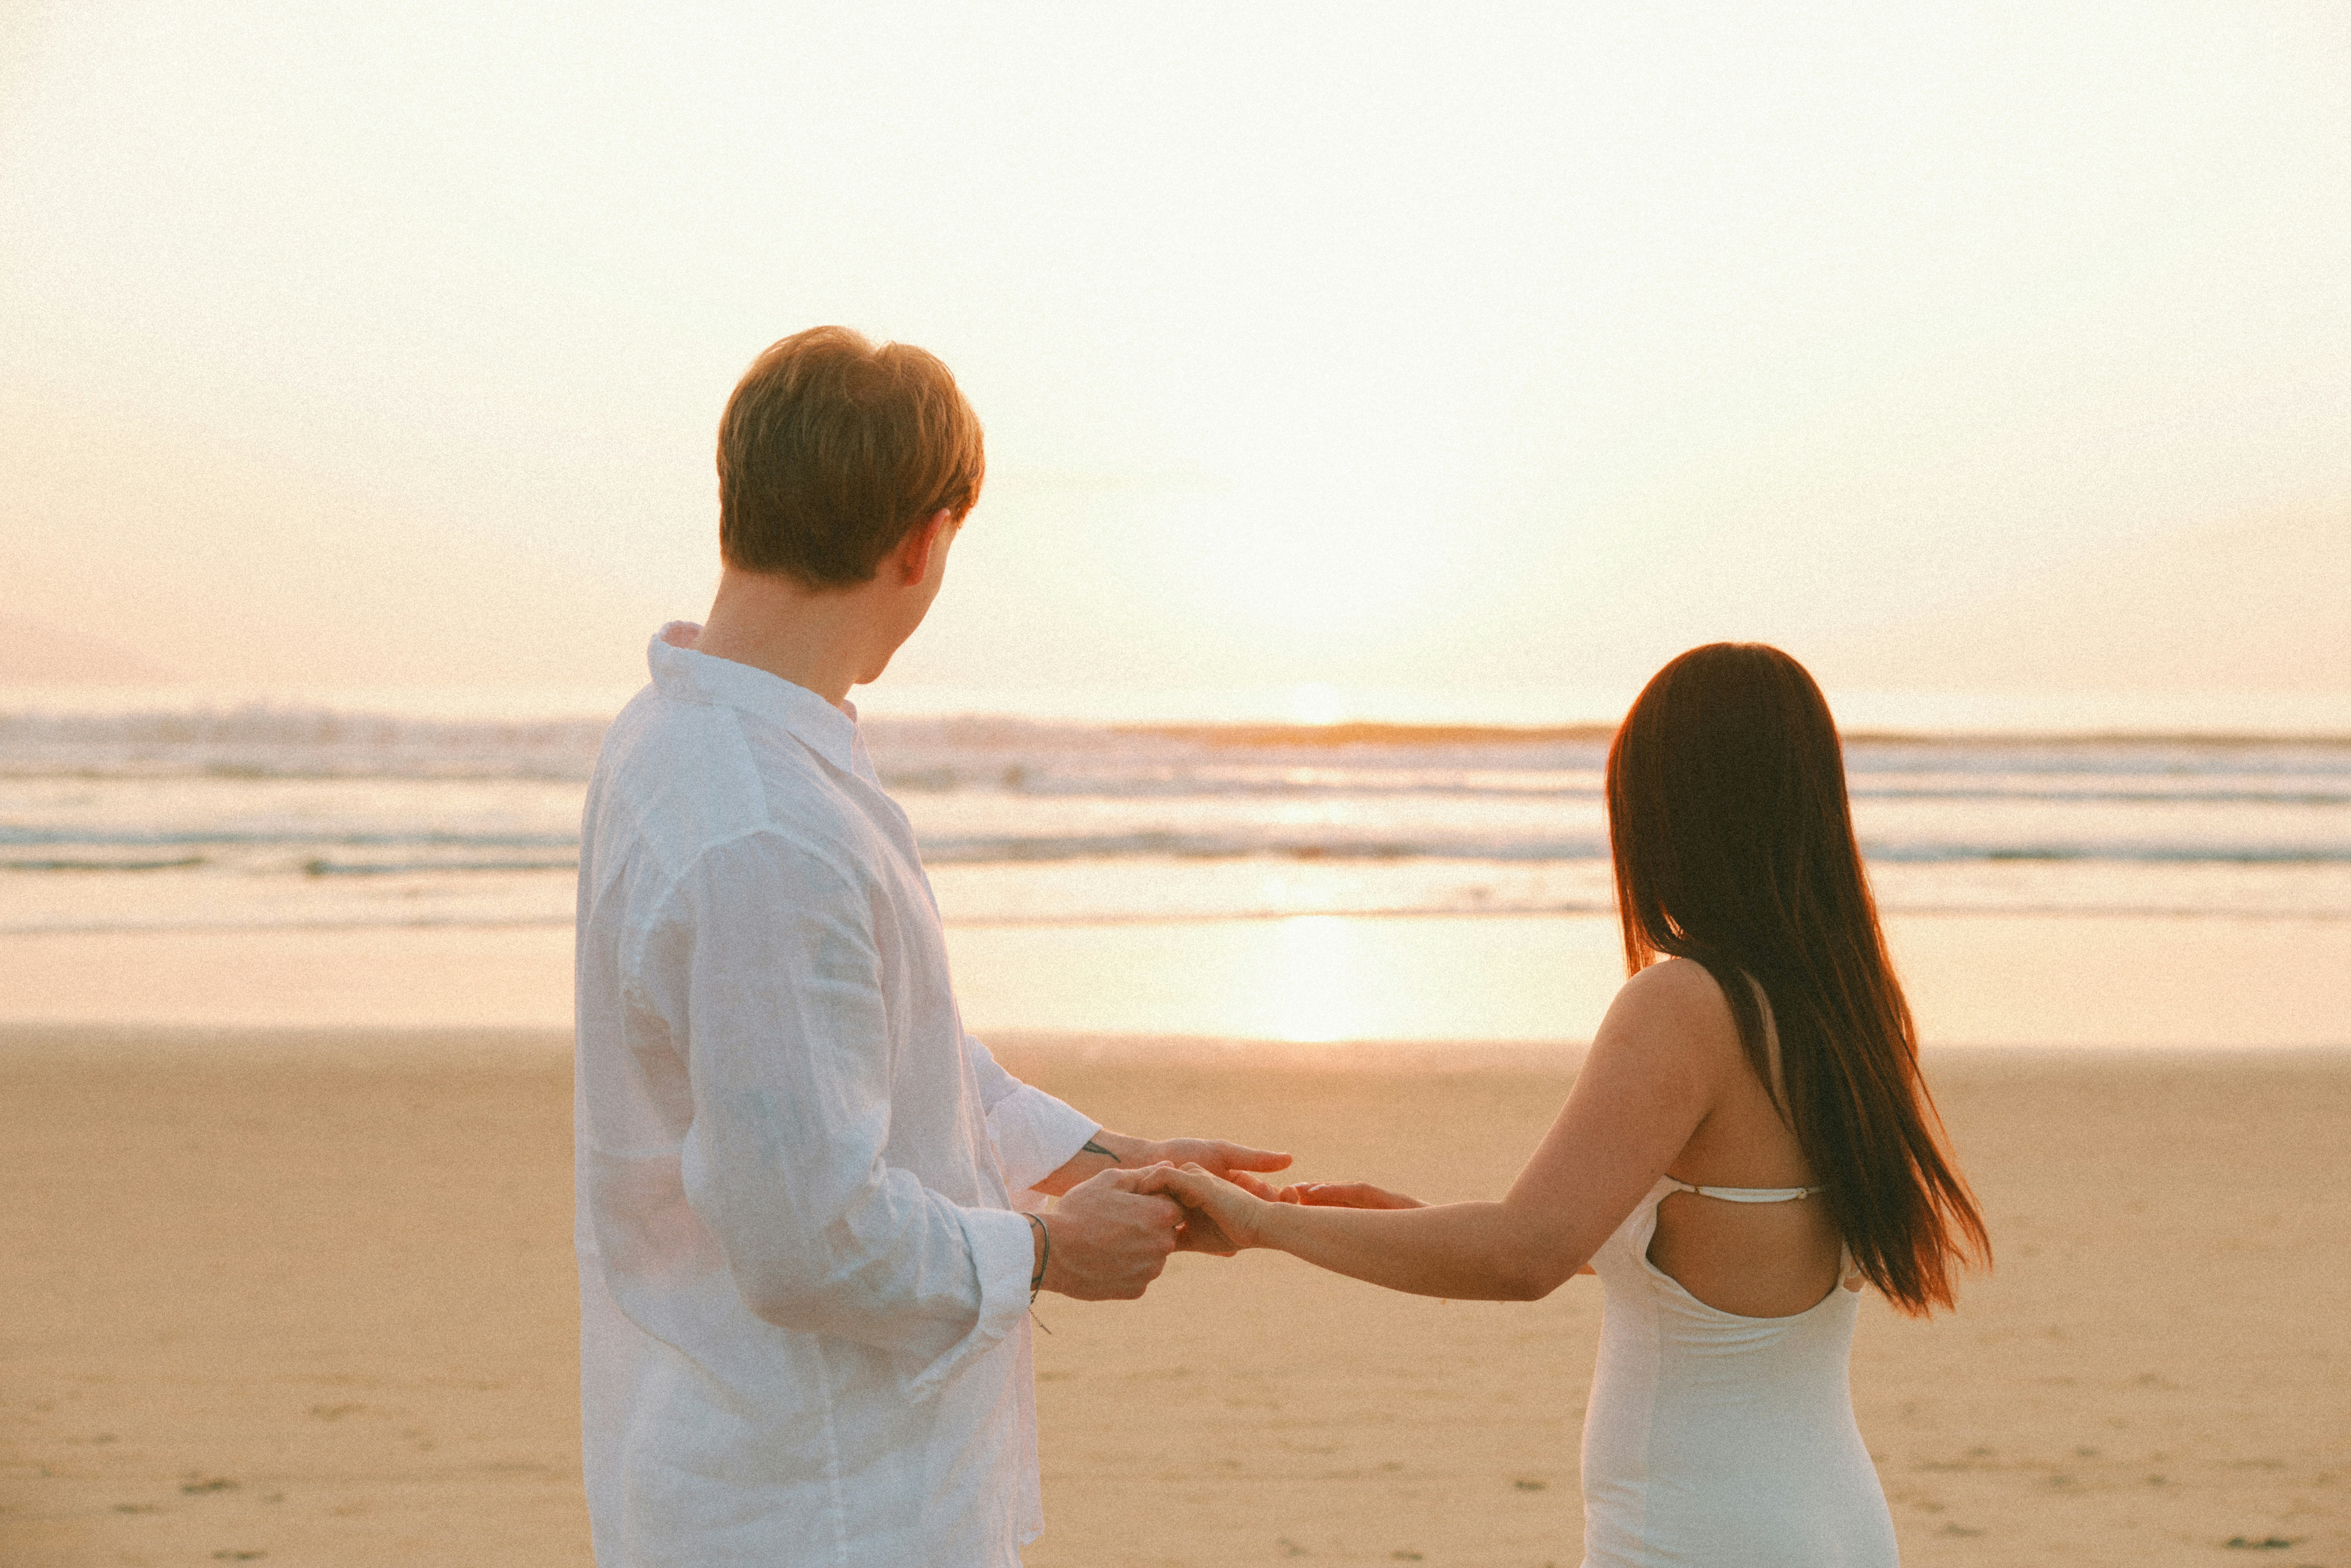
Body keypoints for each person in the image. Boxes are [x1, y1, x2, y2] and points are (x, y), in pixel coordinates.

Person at [573, 326, 1290, 1567]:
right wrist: (1052, 1251)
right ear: (921, 542)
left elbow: (869, 1042)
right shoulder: (765, 831)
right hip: (821, 1503)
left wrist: (1098, 1154)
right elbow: (808, 1238)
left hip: (782, 1473)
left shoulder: (685, 731)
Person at [1142, 642, 1990, 1567]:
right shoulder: (1848, 1009)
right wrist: (1417, 1227)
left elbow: (1524, 1256)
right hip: (1832, 1526)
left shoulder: (1684, 1006)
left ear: (1667, 809)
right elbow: (1722, 1266)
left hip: (1697, 1536)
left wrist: (1264, 1223)